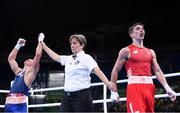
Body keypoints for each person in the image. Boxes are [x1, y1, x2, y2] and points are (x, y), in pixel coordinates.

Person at [40, 33, 117, 112]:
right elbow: (56, 57)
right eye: (71, 43)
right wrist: (44, 46)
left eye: (75, 43)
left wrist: (108, 83)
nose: (72, 45)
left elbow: (98, 71)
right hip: (67, 97)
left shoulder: (86, 58)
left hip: (81, 97)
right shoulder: (69, 58)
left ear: (82, 45)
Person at [110, 22, 176, 112]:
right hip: (135, 87)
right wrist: (113, 91)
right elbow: (115, 70)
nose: (141, 30)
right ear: (131, 34)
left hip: (149, 87)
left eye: (142, 29)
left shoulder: (151, 52)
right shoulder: (126, 50)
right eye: (137, 29)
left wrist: (168, 88)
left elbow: (158, 71)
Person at [4, 33, 44, 113]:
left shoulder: (30, 74)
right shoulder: (19, 72)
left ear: (34, 65)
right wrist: (18, 45)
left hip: (19, 106)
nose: (29, 59)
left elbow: (38, 54)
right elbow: (10, 59)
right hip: (8, 105)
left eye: (31, 59)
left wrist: (40, 41)